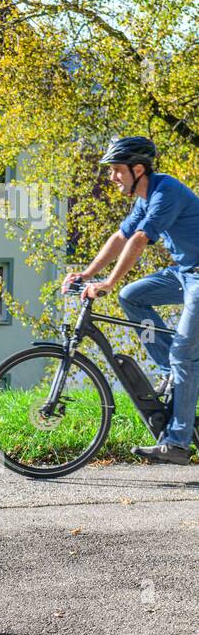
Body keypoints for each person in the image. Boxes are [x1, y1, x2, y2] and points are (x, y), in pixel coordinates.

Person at [61, 136, 199, 464]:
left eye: (117, 171)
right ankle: (173, 373)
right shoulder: (144, 196)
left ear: (138, 169)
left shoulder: (166, 193)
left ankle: (177, 442)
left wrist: (107, 281)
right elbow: (120, 237)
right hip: (184, 272)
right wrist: (86, 273)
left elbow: (138, 240)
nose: (111, 178)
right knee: (131, 296)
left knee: (182, 351)